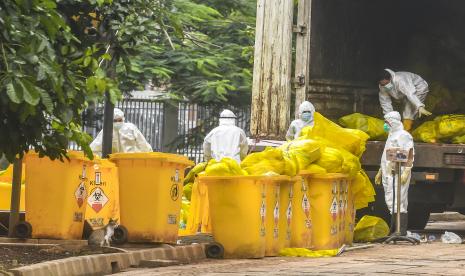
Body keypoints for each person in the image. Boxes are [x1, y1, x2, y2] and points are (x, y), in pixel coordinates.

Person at [375, 111, 414, 235]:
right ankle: (394, 228)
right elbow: (386, 155)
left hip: (399, 172)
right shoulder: (391, 135)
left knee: (398, 200)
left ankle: (400, 230)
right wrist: (381, 171)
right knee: (391, 199)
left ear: (394, 122)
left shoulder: (403, 135)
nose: (385, 125)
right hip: (389, 172)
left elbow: (410, 153)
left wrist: (407, 170)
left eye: (387, 122)